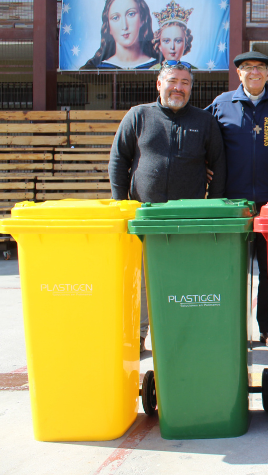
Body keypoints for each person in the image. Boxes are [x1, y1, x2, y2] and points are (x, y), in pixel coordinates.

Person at [108, 61, 226, 352]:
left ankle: (182, 333)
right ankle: (138, 334)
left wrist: (213, 208)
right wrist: (122, 206)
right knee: (144, 279)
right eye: (173, 81)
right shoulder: (138, 116)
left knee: (186, 278)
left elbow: (220, 164)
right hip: (145, 214)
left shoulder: (204, 121)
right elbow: (118, 161)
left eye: (185, 83)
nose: (179, 87)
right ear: (159, 84)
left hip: (189, 216)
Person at [207, 51, 268, 350]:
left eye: (260, 68)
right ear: (238, 73)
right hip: (232, 204)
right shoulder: (222, 104)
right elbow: (204, 141)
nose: (254, 72)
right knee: (230, 270)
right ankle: (231, 328)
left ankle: (267, 328)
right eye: (248, 68)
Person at [81, 0, 158, 70]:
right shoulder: (98, 68)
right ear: (108, 27)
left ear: (142, 19)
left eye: (131, 14)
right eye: (115, 18)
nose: (124, 26)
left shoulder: (158, 66)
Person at [150, 0, 196, 70]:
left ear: (185, 44)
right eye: (166, 41)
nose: (172, 47)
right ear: (159, 45)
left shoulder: (192, 70)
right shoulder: (152, 71)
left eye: (178, 41)